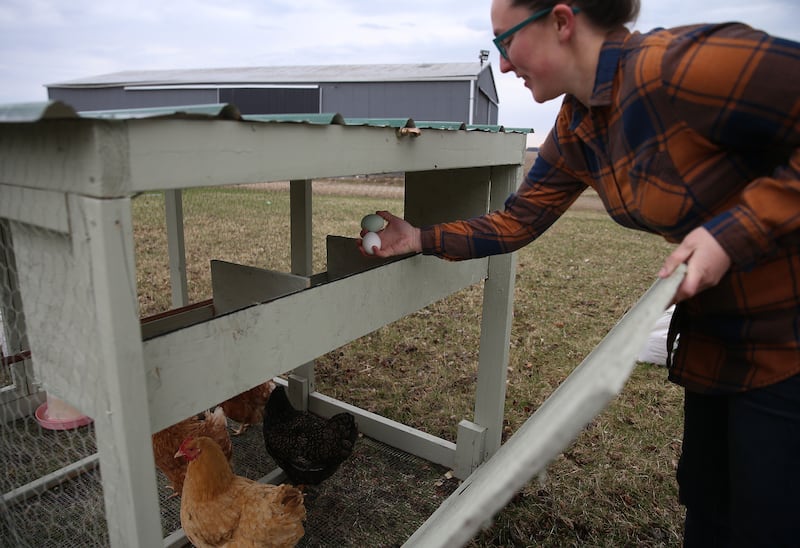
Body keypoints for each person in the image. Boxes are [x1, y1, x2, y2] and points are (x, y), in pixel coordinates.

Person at [359, 1, 800, 545]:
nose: (501, 66)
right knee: (710, 505)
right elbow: (518, 220)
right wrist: (421, 238)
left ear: (562, 22)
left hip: (788, 339)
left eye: (504, 42)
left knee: (772, 517)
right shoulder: (579, 124)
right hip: (715, 342)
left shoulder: (686, 65)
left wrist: (732, 232)